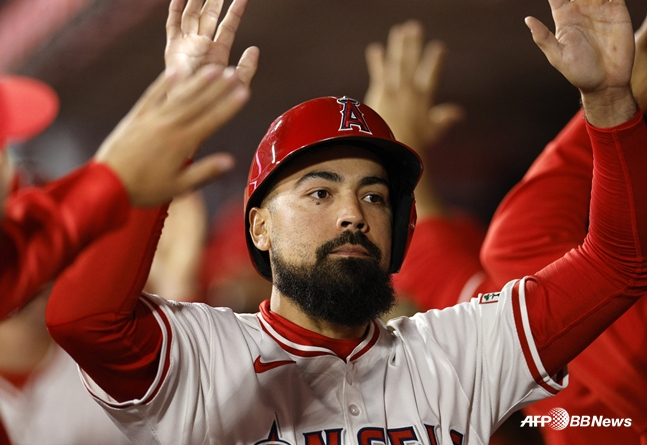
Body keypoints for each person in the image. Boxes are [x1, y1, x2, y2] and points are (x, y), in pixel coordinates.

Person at [43, 1, 647, 444]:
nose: (353, 214)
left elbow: (618, 263)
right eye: (319, 192)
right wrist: (171, 128)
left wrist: (609, 103)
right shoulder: (200, 355)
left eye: (375, 196)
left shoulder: (459, 352)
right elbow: (83, 320)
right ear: (259, 228)